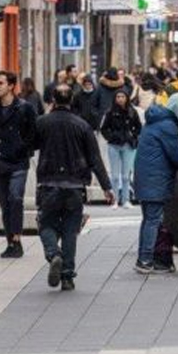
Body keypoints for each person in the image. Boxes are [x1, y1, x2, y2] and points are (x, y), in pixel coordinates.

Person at [32, 83, 114, 291]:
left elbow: (29, 145)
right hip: (75, 184)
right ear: (71, 100)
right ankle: (67, 276)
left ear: (53, 100)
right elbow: (94, 158)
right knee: (70, 230)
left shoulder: (42, 123)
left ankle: (54, 254)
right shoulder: (82, 125)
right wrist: (106, 187)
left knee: (45, 224)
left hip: (49, 182)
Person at [132, 93, 178, 274]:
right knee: (153, 220)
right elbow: (177, 155)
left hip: (145, 178)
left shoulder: (154, 122)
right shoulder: (167, 126)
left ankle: (143, 258)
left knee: (148, 219)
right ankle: (146, 260)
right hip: (156, 180)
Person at [0, 71, 38, 258]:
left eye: (1, 83)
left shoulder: (24, 108)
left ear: (11, 86)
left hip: (19, 162)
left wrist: (23, 148)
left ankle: (17, 239)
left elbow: (33, 134)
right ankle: (10, 241)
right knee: (5, 204)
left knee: (16, 198)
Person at [100, 89, 142, 210]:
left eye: (122, 96)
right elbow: (104, 128)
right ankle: (115, 201)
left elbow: (138, 127)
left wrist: (133, 136)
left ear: (127, 98)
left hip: (128, 145)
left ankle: (126, 200)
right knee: (114, 175)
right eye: (118, 97)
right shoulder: (110, 112)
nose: (120, 99)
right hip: (114, 145)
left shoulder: (132, 111)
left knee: (126, 175)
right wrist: (111, 137)